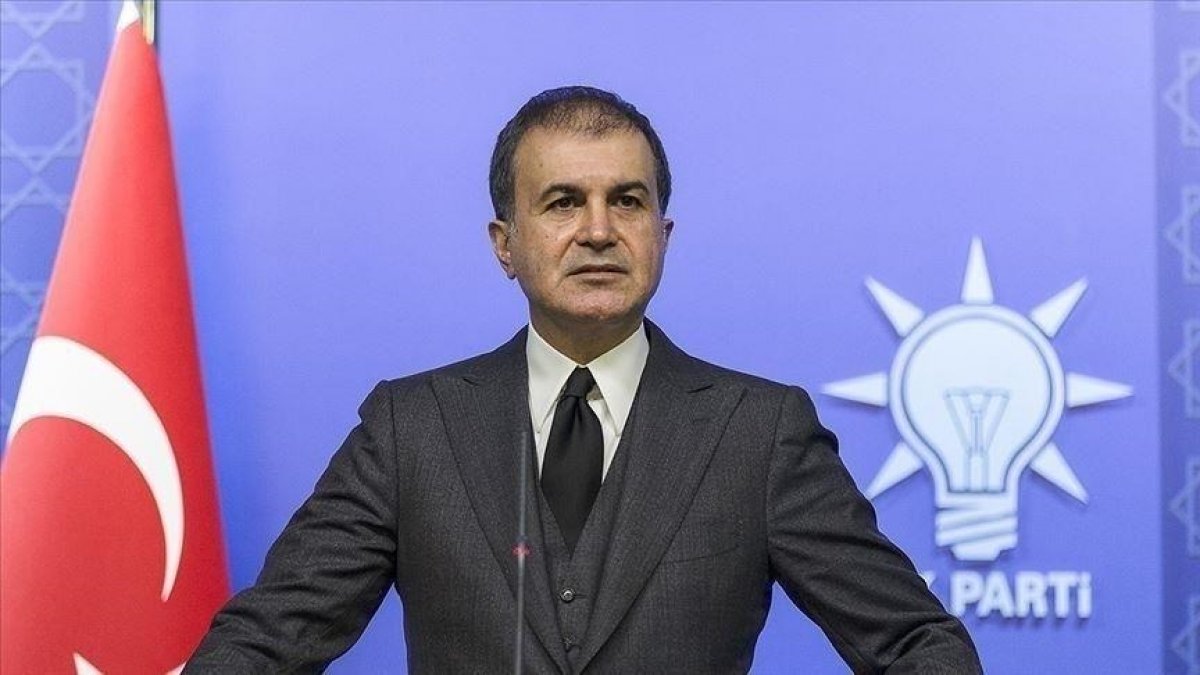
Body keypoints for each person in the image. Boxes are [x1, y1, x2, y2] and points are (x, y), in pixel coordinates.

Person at [187, 86, 982, 674]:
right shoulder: (412, 427)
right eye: (563, 202)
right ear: (504, 243)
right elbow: (267, 641)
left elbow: (919, 643)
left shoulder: (760, 431)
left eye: (626, 201)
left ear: (663, 234)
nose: (598, 230)